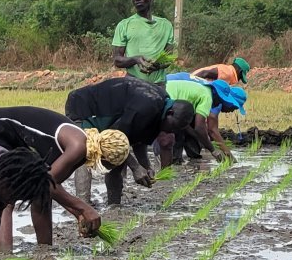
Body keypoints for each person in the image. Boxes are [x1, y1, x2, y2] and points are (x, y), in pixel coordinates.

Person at [0, 106, 132, 247]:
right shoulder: (78, 146)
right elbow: (47, 183)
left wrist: (79, 215)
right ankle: (4, 259)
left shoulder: (81, 149)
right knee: (5, 196)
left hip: (14, 138)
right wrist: (84, 208)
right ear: (105, 158)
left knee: (41, 196)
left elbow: (48, 188)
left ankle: (44, 249)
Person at [65, 76, 195, 206]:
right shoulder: (148, 106)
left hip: (111, 120)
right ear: (170, 113)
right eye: (173, 126)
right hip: (84, 108)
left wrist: (145, 166)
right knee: (85, 151)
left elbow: (137, 140)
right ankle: (83, 206)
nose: (170, 131)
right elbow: (114, 138)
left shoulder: (160, 108)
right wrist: (136, 167)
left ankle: (114, 205)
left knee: (118, 158)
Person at [165, 75, 246, 162]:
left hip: (167, 94)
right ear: (220, 98)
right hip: (166, 97)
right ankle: (169, 167)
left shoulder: (204, 91)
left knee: (178, 137)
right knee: (171, 139)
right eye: (233, 107)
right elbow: (201, 128)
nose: (231, 110)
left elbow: (185, 124)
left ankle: (177, 166)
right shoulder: (207, 97)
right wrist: (213, 150)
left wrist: (202, 139)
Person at [112, 0, 176, 84]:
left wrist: (157, 66)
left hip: (159, 86)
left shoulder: (166, 25)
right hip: (133, 85)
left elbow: (169, 58)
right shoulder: (124, 25)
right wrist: (135, 60)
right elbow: (117, 60)